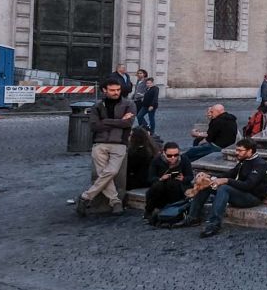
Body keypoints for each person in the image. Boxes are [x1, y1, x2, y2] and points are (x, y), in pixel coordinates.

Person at [178, 139, 267, 238]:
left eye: (240, 150)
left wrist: (226, 180)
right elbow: (230, 174)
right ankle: (193, 218)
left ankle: (214, 224)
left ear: (250, 151)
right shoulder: (245, 160)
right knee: (206, 185)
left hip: (252, 197)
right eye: (236, 150)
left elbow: (248, 185)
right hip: (241, 192)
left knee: (224, 188)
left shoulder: (260, 164)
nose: (236, 152)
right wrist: (209, 177)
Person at [78, 80, 134, 216]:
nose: (116, 92)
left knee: (111, 172)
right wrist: (119, 121)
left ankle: (86, 197)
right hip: (100, 143)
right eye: (112, 90)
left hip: (120, 143)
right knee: (103, 173)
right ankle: (115, 202)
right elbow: (94, 126)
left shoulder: (129, 104)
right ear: (104, 90)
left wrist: (106, 121)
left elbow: (128, 123)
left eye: (118, 90)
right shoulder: (97, 105)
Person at [144, 140, 192, 222]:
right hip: (161, 187)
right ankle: (149, 211)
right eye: (170, 155)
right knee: (157, 186)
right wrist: (161, 178)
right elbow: (150, 178)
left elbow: (190, 176)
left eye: (176, 155)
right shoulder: (157, 160)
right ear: (164, 153)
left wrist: (183, 178)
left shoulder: (184, 159)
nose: (173, 158)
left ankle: (174, 211)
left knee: (173, 184)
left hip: (178, 187)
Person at [126, 127, 158, 191]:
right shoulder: (150, 149)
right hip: (148, 179)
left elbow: (128, 168)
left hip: (139, 182)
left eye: (130, 135)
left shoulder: (136, 153)